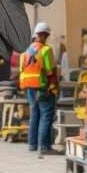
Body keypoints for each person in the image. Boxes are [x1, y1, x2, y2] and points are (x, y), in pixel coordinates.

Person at [19, 20, 60, 157]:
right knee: (46, 116)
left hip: (29, 88)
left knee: (34, 115)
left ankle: (32, 145)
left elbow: (21, 70)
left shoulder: (25, 51)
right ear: (45, 35)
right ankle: (44, 147)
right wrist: (54, 86)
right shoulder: (46, 50)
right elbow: (50, 71)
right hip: (42, 87)